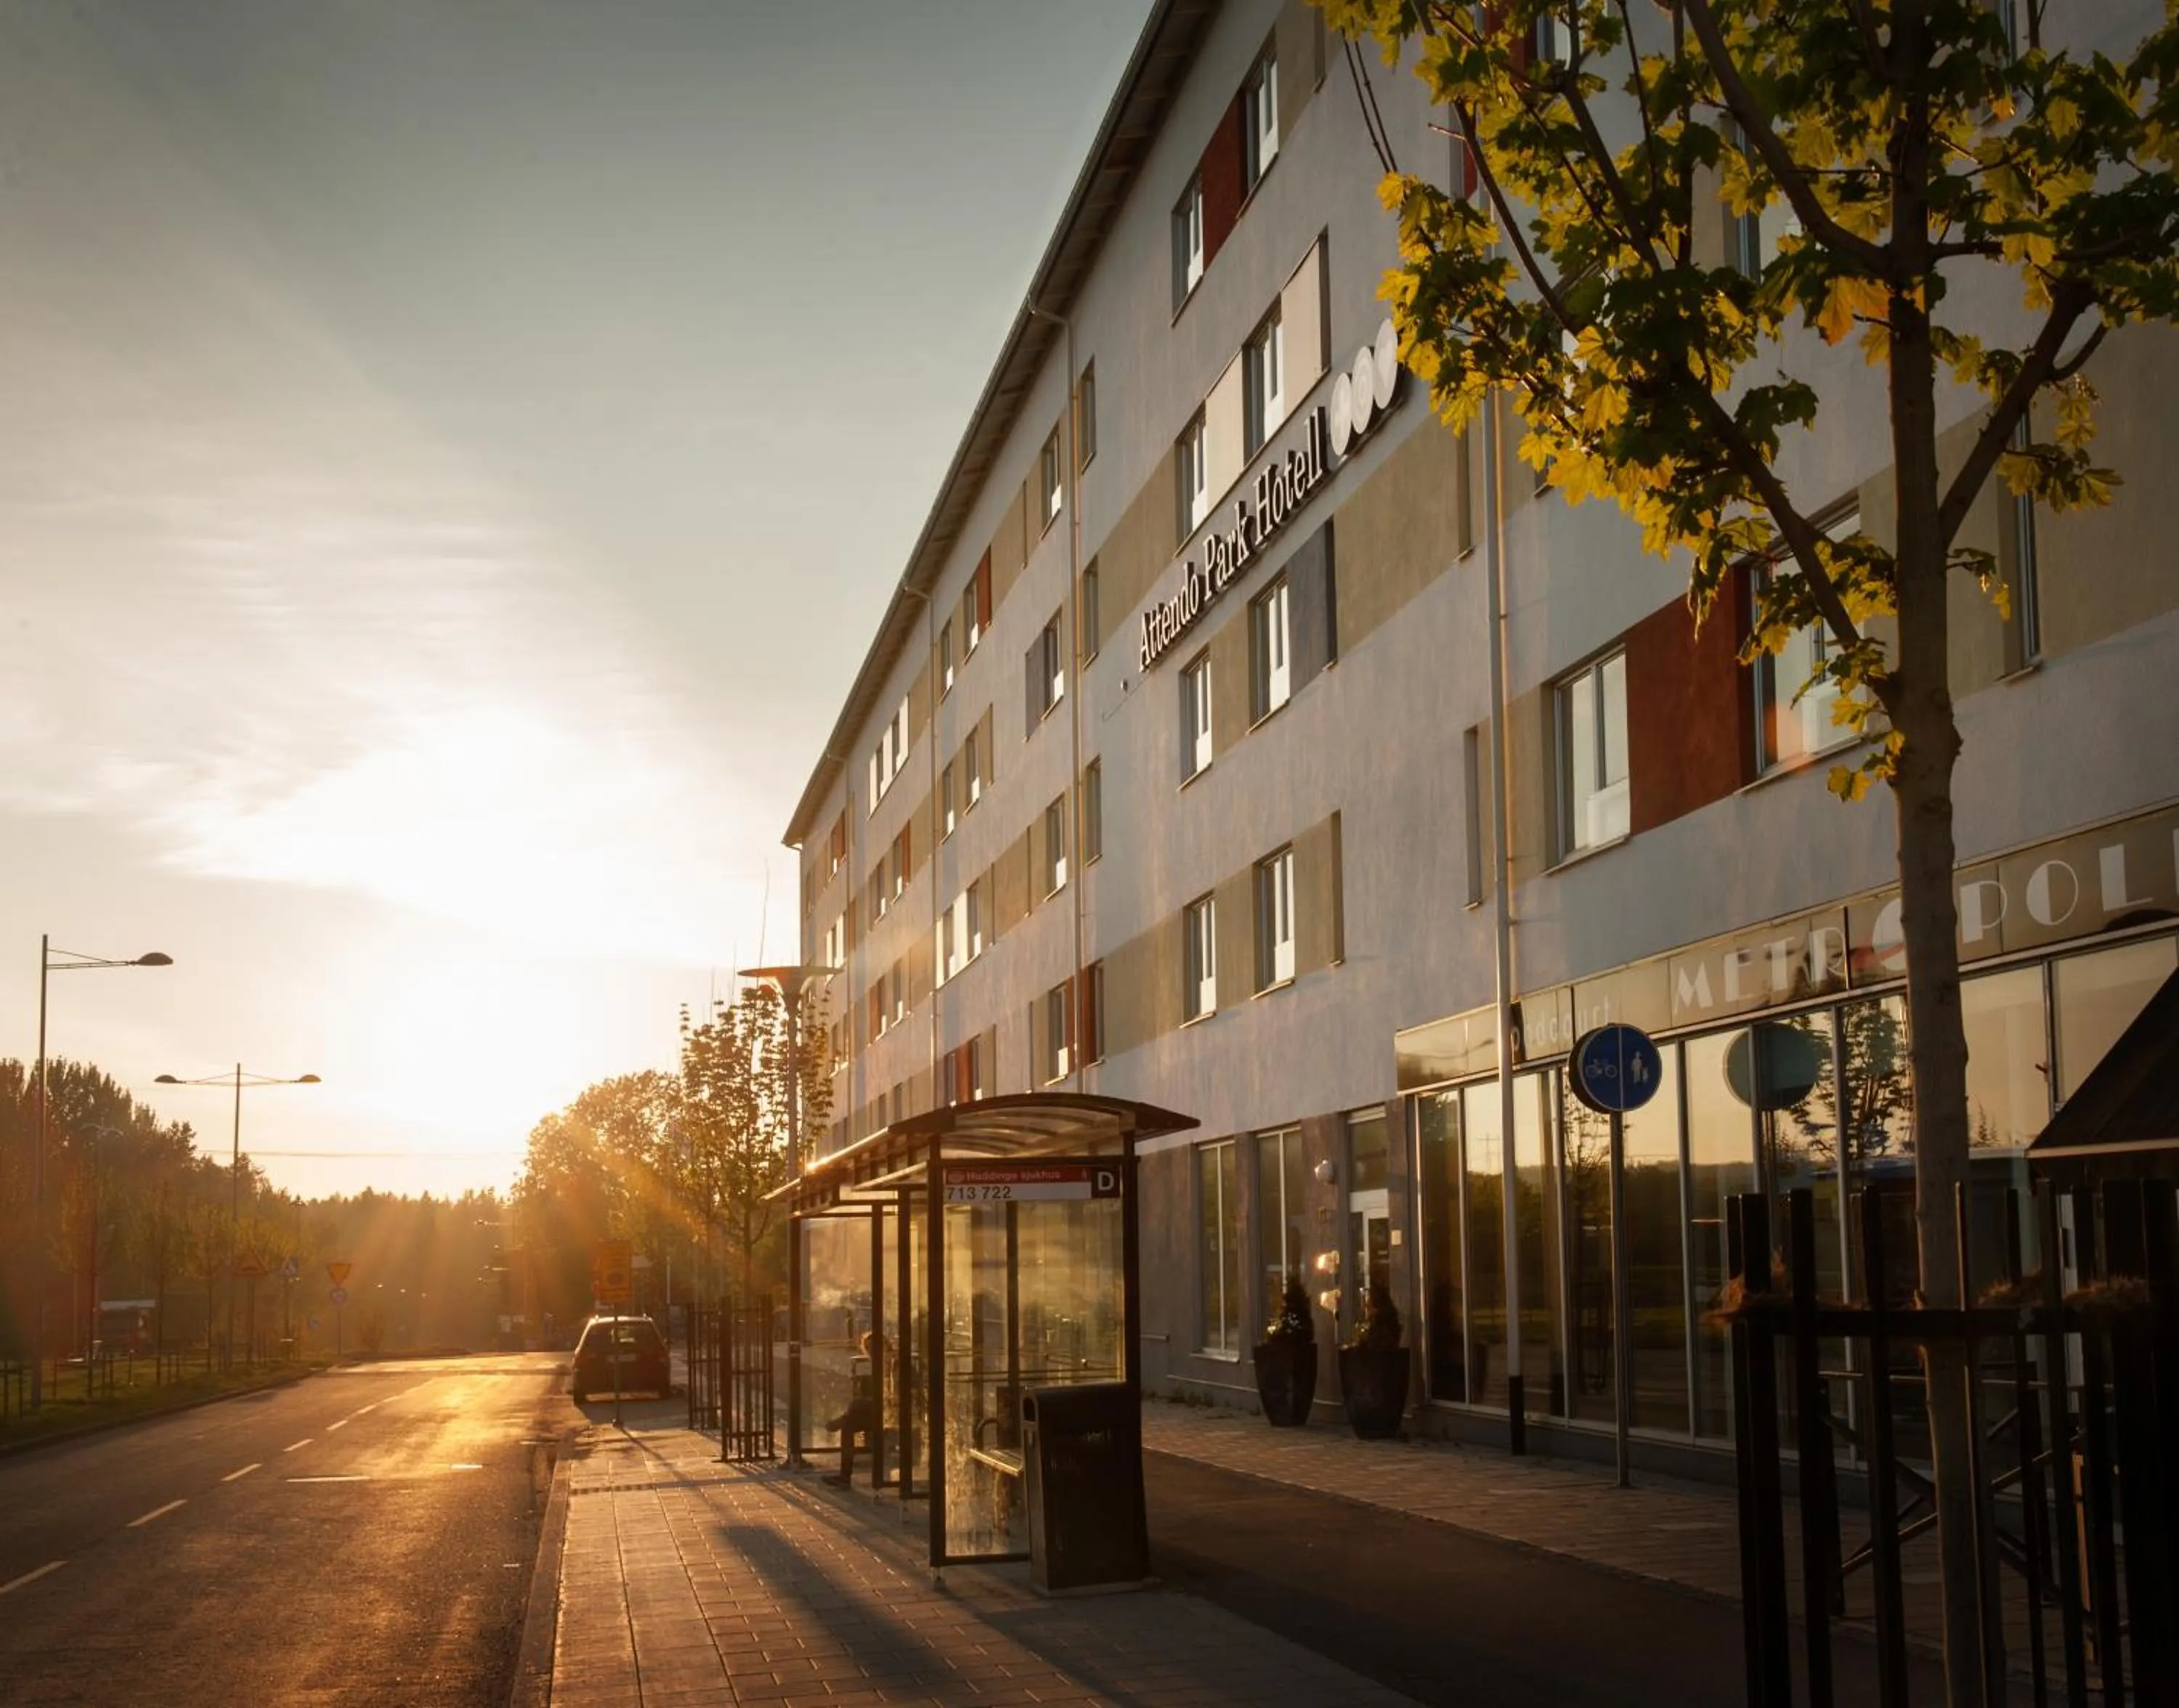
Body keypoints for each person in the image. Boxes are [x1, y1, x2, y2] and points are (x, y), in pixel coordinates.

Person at [824, 1328, 886, 1487]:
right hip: (871, 1410)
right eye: (868, 1348)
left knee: (851, 1418)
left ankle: (845, 1477)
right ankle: (844, 1476)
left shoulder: (891, 1364)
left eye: (874, 1348)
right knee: (850, 1421)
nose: (871, 1352)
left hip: (886, 1412)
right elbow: (861, 1393)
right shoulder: (868, 1366)